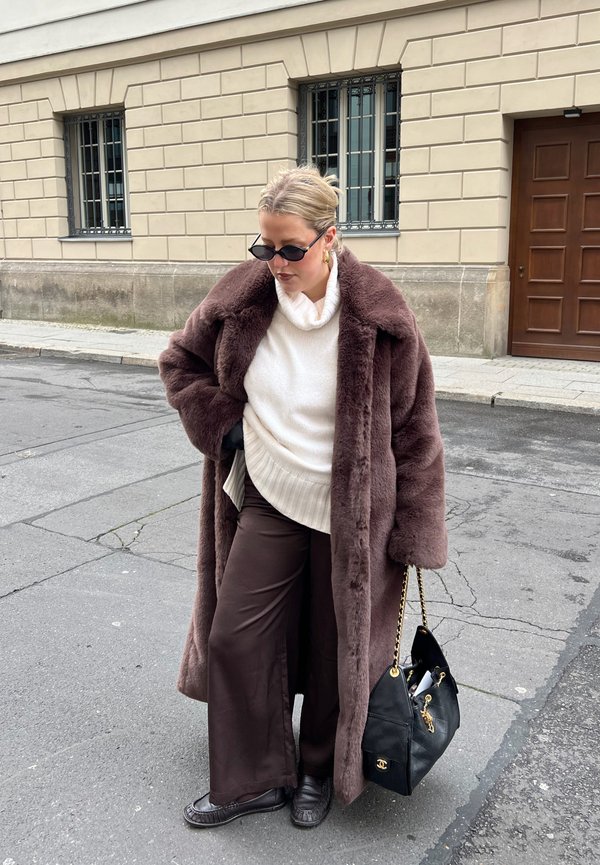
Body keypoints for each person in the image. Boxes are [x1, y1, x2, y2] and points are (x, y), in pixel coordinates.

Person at [158, 165, 447, 829]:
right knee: (233, 637)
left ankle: (316, 768)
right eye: (265, 248)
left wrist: (412, 531)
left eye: (291, 249)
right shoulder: (241, 298)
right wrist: (223, 424)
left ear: (330, 240)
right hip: (267, 496)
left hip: (350, 516)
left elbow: (416, 431)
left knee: (331, 652)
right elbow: (181, 362)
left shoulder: (380, 315)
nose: (277, 264)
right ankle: (255, 777)